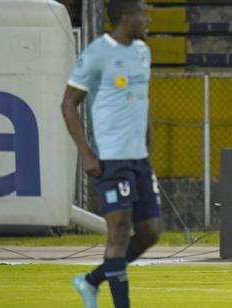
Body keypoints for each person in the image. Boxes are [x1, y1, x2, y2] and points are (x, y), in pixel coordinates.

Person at [61, 1, 161, 307]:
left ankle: (91, 281)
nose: (148, 20)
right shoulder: (97, 52)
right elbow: (67, 104)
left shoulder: (143, 52)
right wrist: (86, 153)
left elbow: (142, 100)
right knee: (118, 231)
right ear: (126, 18)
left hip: (139, 159)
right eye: (144, 15)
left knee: (150, 233)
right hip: (111, 158)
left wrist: (148, 141)